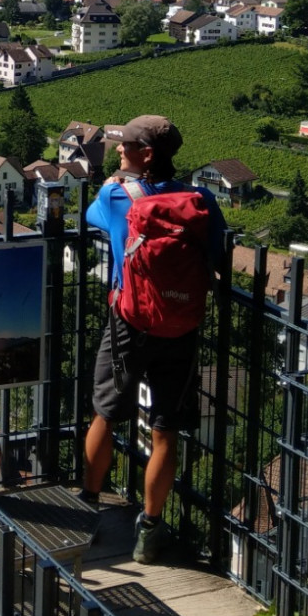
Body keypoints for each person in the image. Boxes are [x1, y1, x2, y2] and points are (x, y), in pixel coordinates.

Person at [80, 113, 226, 562]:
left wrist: (116, 181)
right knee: (165, 432)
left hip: (130, 321)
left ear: (146, 155)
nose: (119, 150)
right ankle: (150, 530)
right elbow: (217, 254)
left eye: (126, 146)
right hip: (180, 326)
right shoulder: (200, 199)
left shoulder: (116, 194)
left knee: (105, 414)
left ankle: (87, 510)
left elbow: (90, 216)